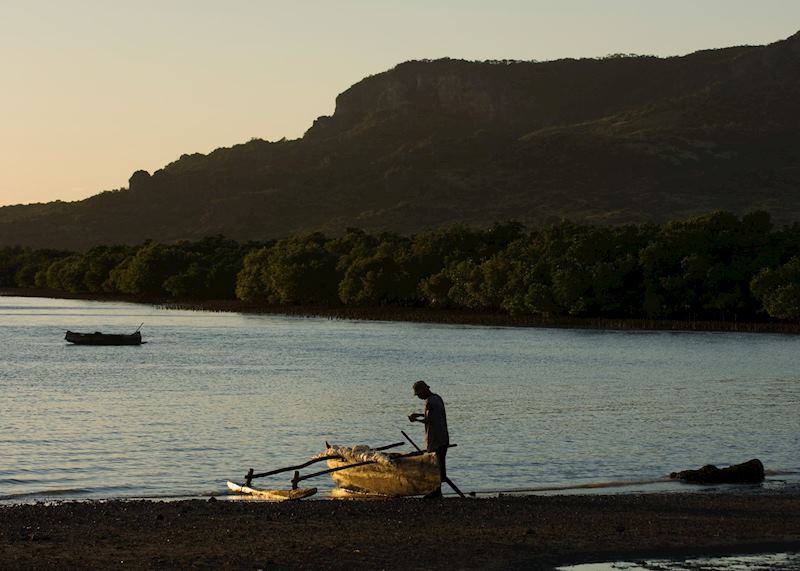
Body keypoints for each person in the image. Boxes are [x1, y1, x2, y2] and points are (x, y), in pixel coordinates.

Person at [408, 380, 449, 498]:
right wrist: (418, 414)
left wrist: (415, 420)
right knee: (439, 466)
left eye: (419, 394)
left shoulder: (430, 402)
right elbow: (432, 415)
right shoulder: (437, 398)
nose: (419, 397)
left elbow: (429, 420)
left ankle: (436, 491)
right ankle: (437, 491)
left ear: (424, 391)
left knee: (436, 466)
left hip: (436, 439)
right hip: (443, 438)